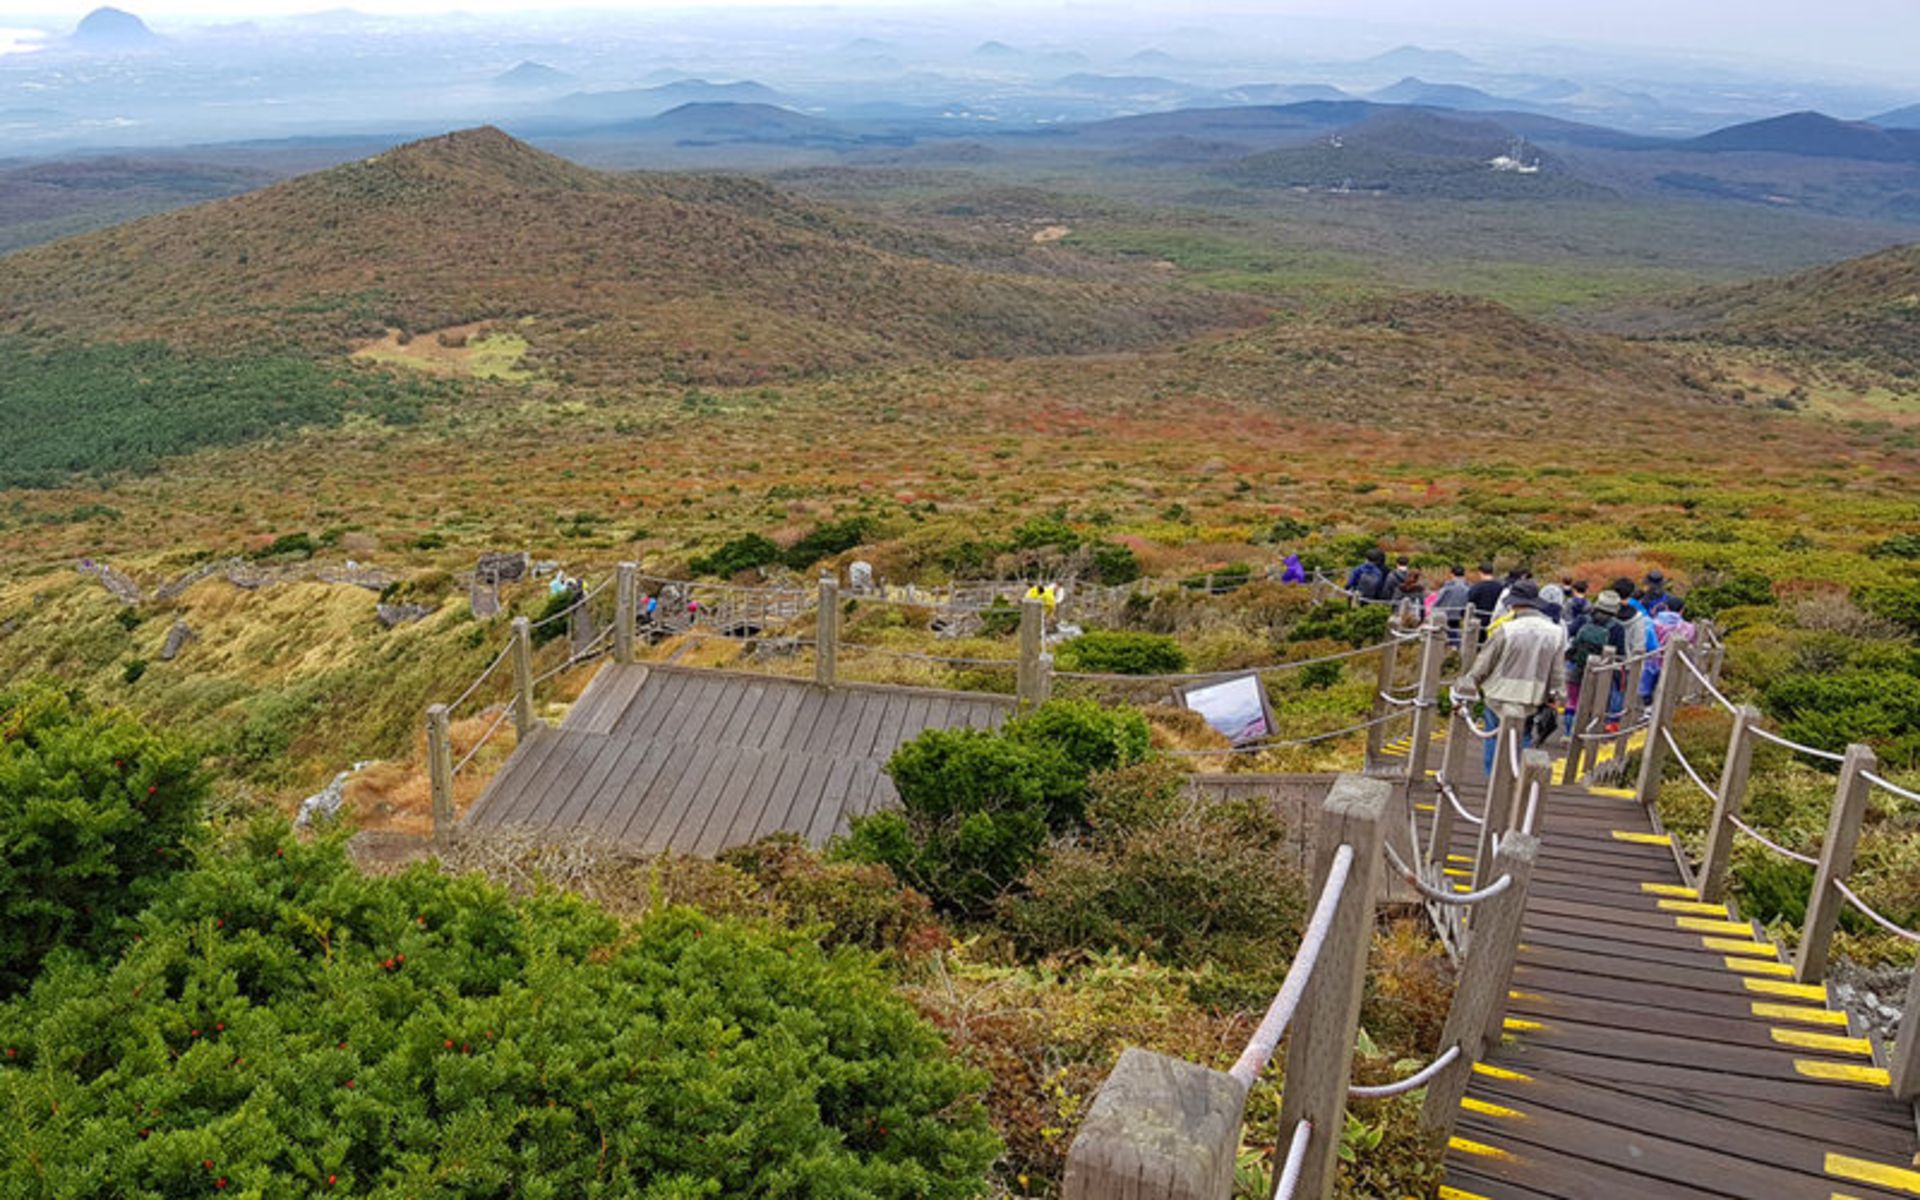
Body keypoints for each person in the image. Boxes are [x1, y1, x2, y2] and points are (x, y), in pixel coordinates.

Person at [1460, 581, 1567, 773]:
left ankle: (1491, 778)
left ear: (1514, 603)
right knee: (1523, 737)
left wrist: (1470, 683)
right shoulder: (1556, 632)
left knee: (1493, 737)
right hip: (1533, 695)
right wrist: (1556, 696)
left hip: (1499, 692)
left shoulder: (1507, 629)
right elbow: (1557, 671)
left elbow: (1484, 664)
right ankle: (1516, 779)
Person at [1564, 589, 1627, 732]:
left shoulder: (1583, 619)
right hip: (1601, 671)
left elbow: (1568, 634)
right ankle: (1587, 734)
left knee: (1573, 701)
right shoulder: (1617, 628)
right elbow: (1621, 653)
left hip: (1577, 665)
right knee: (1594, 704)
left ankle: (1568, 733)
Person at [1432, 564, 1471, 642]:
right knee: (1455, 632)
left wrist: (1433, 608)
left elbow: (1438, 599)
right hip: (1460, 614)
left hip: (1445, 613)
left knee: (1442, 635)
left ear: (1452, 574)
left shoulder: (1448, 586)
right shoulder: (1468, 588)